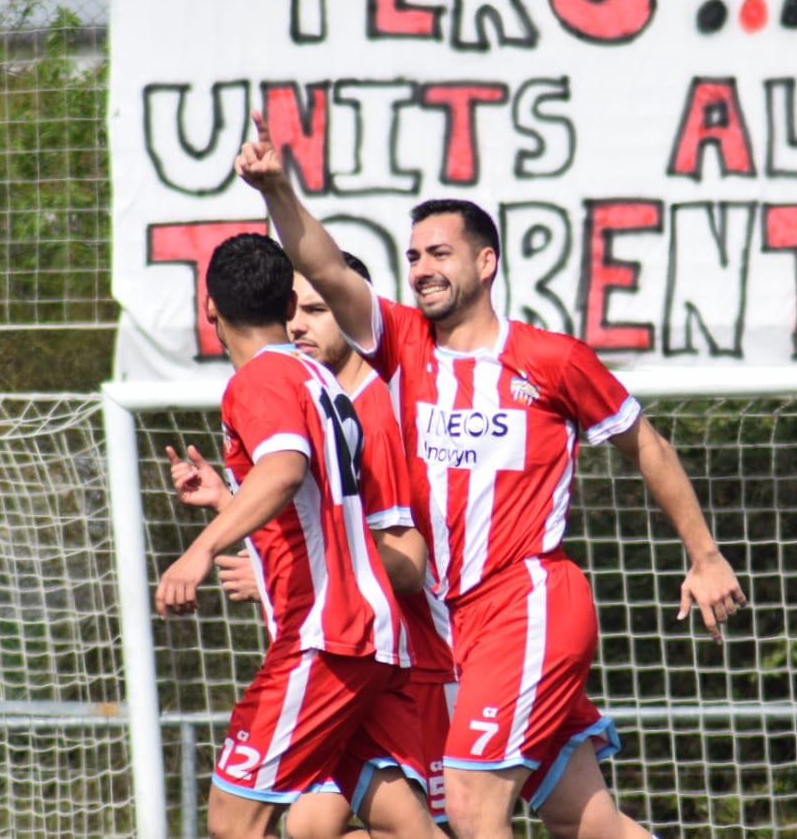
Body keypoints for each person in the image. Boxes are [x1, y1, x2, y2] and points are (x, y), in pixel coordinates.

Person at [235, 111, 748, 839]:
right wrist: (279, 192)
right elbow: (322, 265)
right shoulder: (401, 342)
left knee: (473, 807)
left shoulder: (552, 361)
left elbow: (650, 449)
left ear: (486, 263)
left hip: (526, 605)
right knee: (587, 820)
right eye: (412, 256)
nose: (420, 270)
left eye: (438, 253)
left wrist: (704, 555)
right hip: (448, 630)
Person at [155, 232, 438, 839]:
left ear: (210, 309)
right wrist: (227, 499)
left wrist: (198, 553)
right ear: (288, 306)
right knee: (388, 825)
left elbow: (286, 472)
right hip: (367, 635)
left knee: (235, 821)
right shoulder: (323, 381)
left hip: (325, 637)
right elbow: (317, 510)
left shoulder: (259, 382)